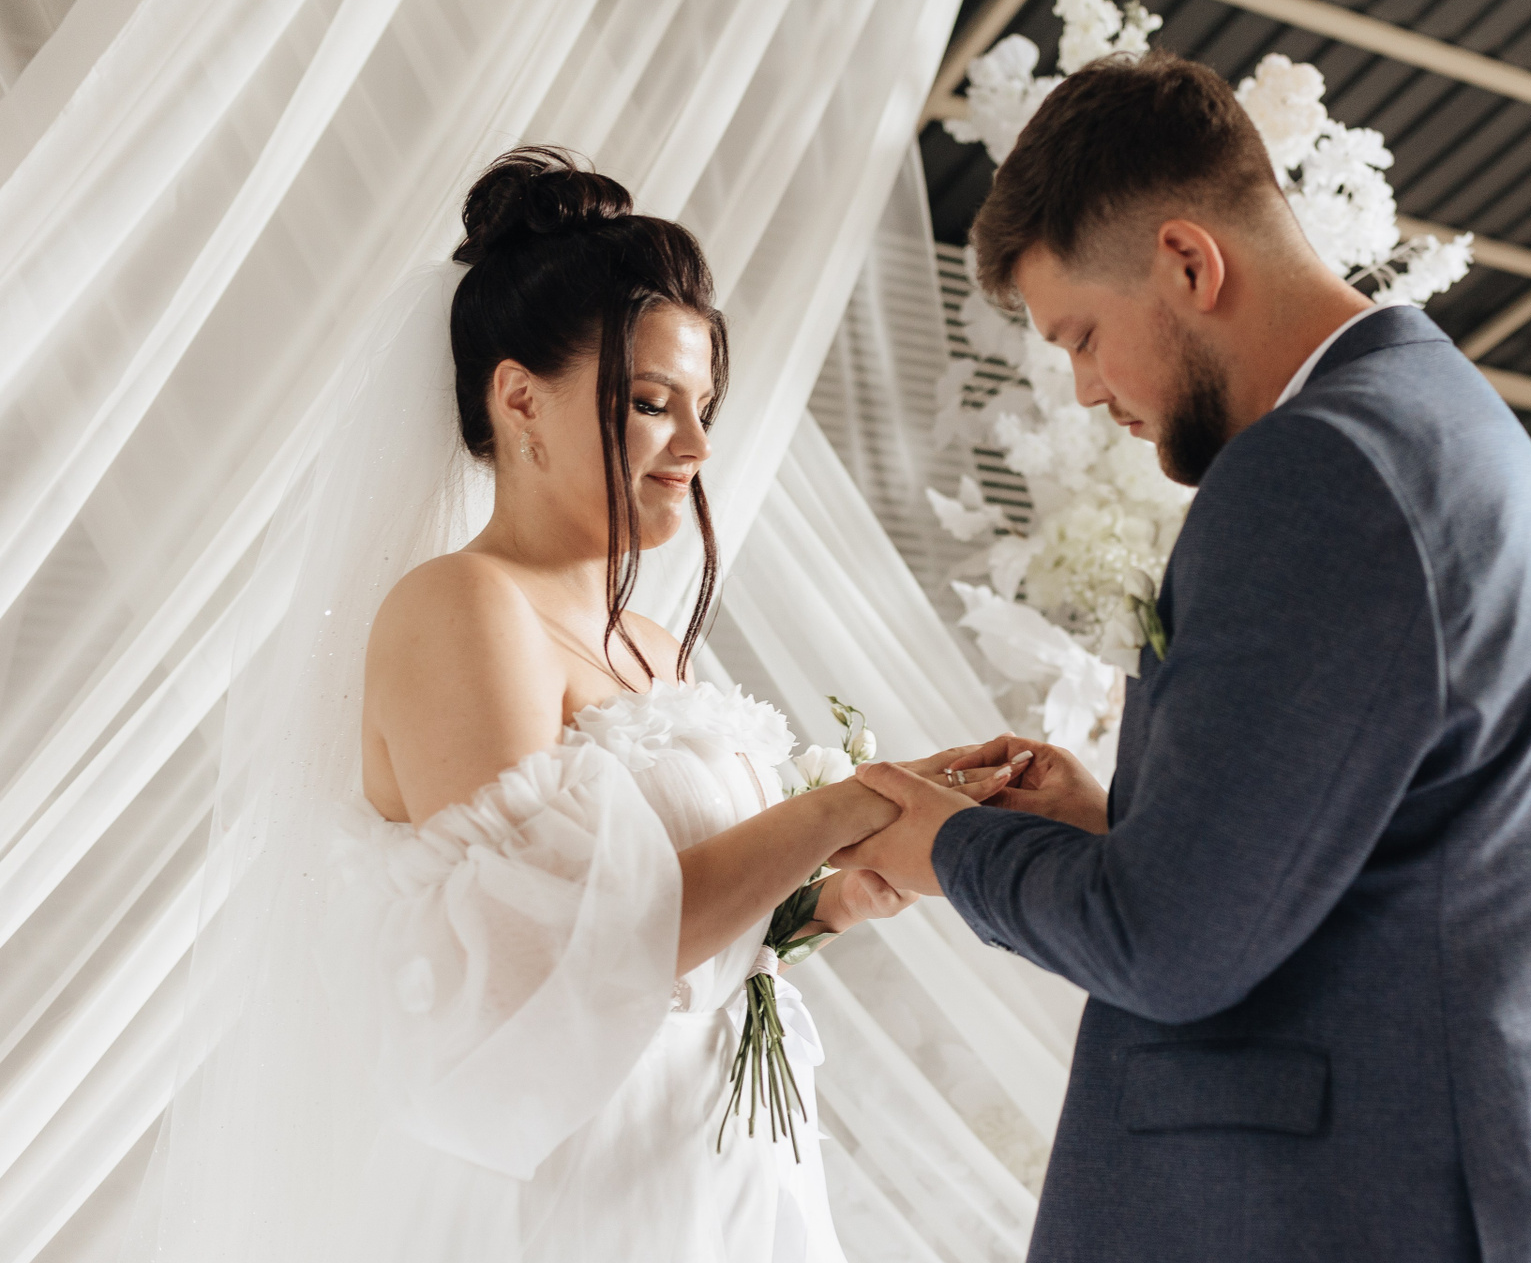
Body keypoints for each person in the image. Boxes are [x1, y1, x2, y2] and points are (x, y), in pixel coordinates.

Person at [837, 54, 1531, 1261]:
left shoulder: (1320, 470)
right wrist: (1115, 830)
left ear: (1188, 262)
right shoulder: (1434, 422)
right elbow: (1377, 853)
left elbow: (1166, 946)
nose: (1084, 390)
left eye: (1084, 336)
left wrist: (946, 847)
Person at [124, 147, 998, 1263]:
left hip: (714, 1172)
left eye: (705, 408)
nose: (697, 447)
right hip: (567, 1199)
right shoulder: (462, 608)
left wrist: (825, 903)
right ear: (520, 398)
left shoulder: (652, 642)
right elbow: (544, 957)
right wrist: (848, 804)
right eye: (651, 404)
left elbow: (675, 930)